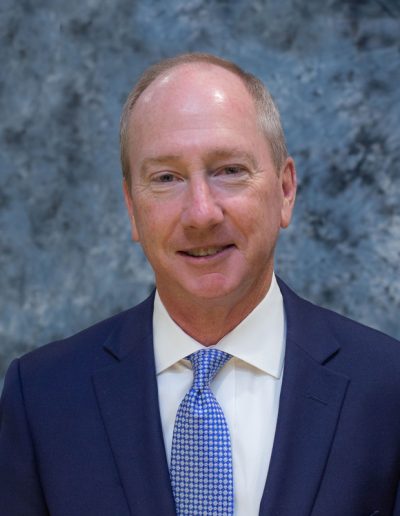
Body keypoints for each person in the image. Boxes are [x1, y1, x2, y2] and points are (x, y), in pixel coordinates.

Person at [0, 53, 399, 516]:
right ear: (132, 208)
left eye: (229, 170)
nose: (201, 213)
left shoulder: (388, 387)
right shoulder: (43, 398)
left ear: (285, 191)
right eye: (166, 178)